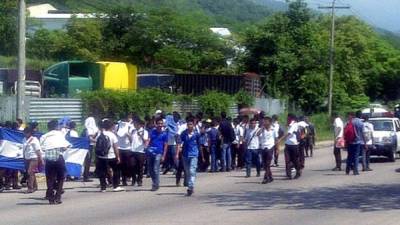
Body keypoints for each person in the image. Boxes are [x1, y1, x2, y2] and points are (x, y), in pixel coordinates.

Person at [40, 120, 71, 204]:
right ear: (56, 127)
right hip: (59, 158)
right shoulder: (60, 134)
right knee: (61, 177)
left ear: (48, 128)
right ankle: (58, 197)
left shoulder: (44, 136)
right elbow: (66, 146)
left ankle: (50, 197)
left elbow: (42, 148)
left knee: (50, 178)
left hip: (49, 159)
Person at [96, 119, 124, 192]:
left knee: (102, 172)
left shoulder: (100, 134)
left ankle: (103, 188)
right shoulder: (112, 135)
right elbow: (115, 147)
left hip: (101, 156)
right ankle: (116, 186)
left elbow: (97, 144)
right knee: (116, 170)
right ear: (111, 127)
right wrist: (118, 157)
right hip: (111, 156)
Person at [179, 118, 201, 196]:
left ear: (193, 125)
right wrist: (179, 148)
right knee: (187, 172)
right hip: (185, 155)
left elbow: (199, 144)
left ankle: (190, 187)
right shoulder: (183, 133)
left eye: (191, 124)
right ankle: (191, 185)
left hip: (194, 154)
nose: (189, 126)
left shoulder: (196, 134)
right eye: (188, 124)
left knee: (192, 171)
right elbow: (179, 141)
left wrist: (200, 154)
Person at [147, 118, 168, 191]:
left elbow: (165, 145)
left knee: (156, 169)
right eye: (158, 123)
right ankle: (155, 182)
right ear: (156, 124)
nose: (160, 125)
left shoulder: (164, 134)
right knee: (150, 169)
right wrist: (146, 146)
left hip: (159, 153)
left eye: (161, 123)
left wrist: (164, 155)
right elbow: (148, 140)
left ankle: (155, 184)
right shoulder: (152, 132)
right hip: (150, 152)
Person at [281, 114, 301, 179]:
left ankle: (298, 171)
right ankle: (288, 174)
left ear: (292, 119)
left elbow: (289, 133)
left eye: (288, 119)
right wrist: (286, 125)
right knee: (287, 160)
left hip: (294, 145)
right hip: (287, 145)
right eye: (287, 119)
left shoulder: (294, 124)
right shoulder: (288, 125)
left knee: (295, 160)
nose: (287, 120)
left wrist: (280, 139)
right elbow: (284, 130)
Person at [22, 127, 43, 193]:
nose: (25, 134)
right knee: (32, 173)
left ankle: (30, 188)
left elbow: (38, 150)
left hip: (34, 158)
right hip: (27, 158)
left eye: (26, 132)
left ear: (30, 133)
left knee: (30, 172)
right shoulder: (24, 139)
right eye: (24, 132)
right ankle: (35, 187)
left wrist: (40, 159)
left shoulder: (34, 139)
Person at [130, 119, 149, 186]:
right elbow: (131, 140)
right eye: (134, 124)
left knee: (140, 167)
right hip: (133, 151)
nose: (135, 125)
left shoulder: (145, 132)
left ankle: (139, 180)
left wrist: (141, 136)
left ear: (140, 124)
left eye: (136, 124)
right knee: (132, 166)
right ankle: (134, 179)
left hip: (141, 151)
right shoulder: (133, 131)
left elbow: (146, 141)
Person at [345, 111, 365, 175]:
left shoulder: (350, 122)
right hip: (357, 142)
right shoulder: (361, 123)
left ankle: (347, 169)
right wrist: (365, 142)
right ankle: (355, 170)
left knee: (349, 155)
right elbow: (363, 134)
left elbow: (345, 131)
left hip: (349, 141)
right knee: (356, 156)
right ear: (361, 116)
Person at [116, 115, 134, 186]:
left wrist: (128, 135)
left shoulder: (130, 126)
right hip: (119, 148)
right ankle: (122, 180)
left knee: (128, 165)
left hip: (127, 148)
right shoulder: (117, 126)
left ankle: (129, 176)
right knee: (120, 165)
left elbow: (132, 139)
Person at [82, 117, 99, 182]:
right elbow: (90, 139)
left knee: (87, 161)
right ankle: (86, 176)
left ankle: (86, 175)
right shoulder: (90, 129)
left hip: (87, 146)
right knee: (88, 161)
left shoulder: (86, 129)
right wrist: (97, 140)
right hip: (89, 146)